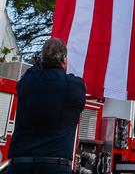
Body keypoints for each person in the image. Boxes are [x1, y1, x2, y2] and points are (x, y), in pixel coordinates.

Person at [8, 37, 86, 174]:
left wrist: (43, 60)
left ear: (43, 59)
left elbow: (32, 71)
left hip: (20, 165)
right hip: (55, 166)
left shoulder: (27, 83)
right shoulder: (75, 86)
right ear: (64, 59)